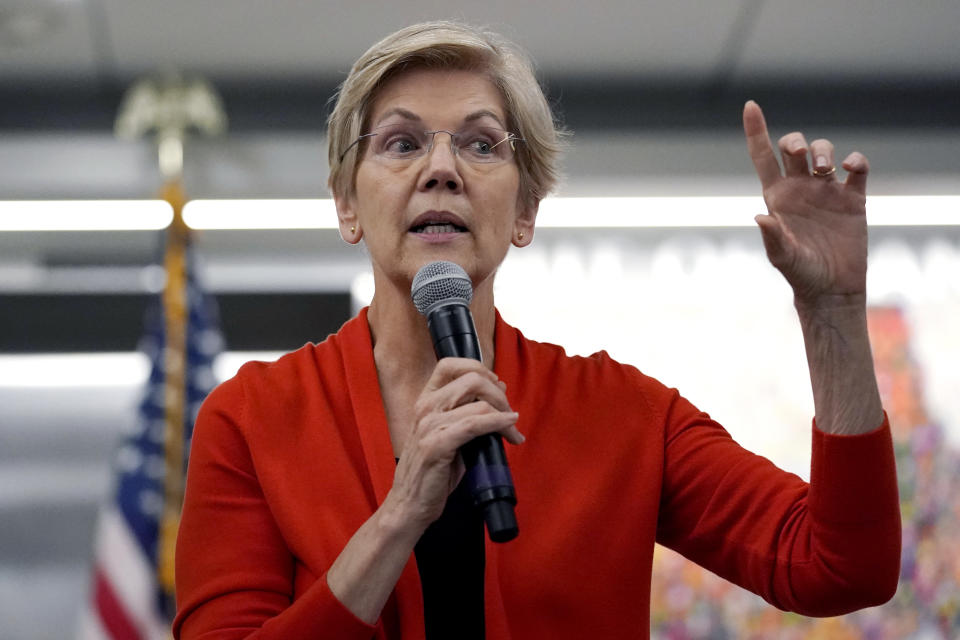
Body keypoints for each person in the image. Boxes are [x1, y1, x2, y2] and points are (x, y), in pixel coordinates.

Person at [173, 21, 901, 639]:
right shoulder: (253, 419)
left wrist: (832, 313)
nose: (442, 169)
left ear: (524, 213)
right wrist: (401, 515)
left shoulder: (621, 414)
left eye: (483, 145)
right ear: (347, 205)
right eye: (400, 143)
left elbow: (841, 567)